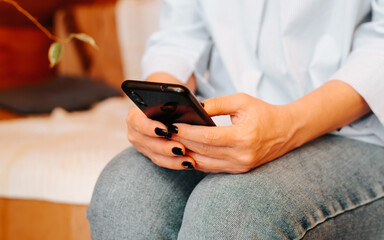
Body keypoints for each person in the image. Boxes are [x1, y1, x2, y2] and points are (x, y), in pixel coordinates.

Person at [87, 0, 384, 239]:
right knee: (123, 190)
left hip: (354, 129)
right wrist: (159, 100)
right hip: (223, 122)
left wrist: (288, 125)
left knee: (233, 209)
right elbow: (180, 35)